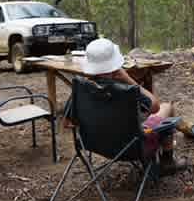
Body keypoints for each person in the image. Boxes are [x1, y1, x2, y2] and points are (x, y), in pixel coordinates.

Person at [79, 38, 188, 175]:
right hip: (133, 147)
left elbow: (68, 123)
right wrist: (128, 79)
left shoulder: (81, 89)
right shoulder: (126, 91)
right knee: (167, 107)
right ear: (115, 65)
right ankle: (167, 162)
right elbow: (155, 107)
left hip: (95, 145)